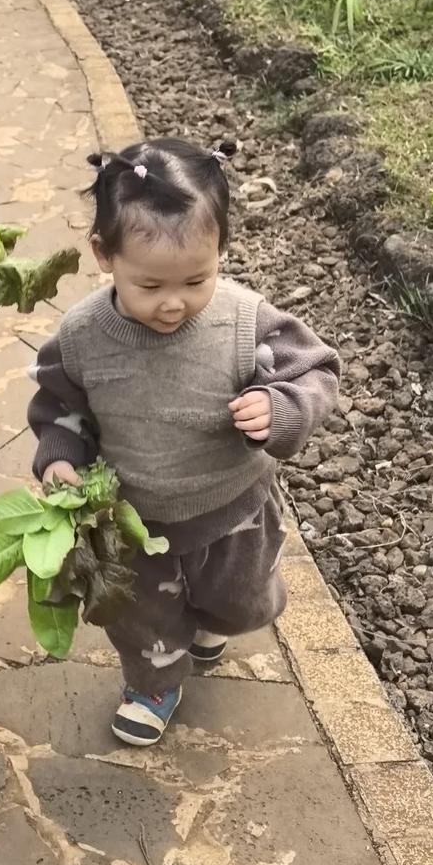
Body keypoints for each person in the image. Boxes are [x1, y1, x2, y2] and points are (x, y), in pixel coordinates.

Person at [27, 139, 340, 746]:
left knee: (242, 605)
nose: (174, 303)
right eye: (150, 286)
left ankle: (210, 622)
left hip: (233, 511)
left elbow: (316, 370)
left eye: (197, 279)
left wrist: (282, 407)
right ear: (103, 254)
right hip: (135, 517)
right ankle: (152, 682)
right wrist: (62, 459)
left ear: (220, 251)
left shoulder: (243, 320)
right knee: (142, 617)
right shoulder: (84, 337)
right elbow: (62, 406)